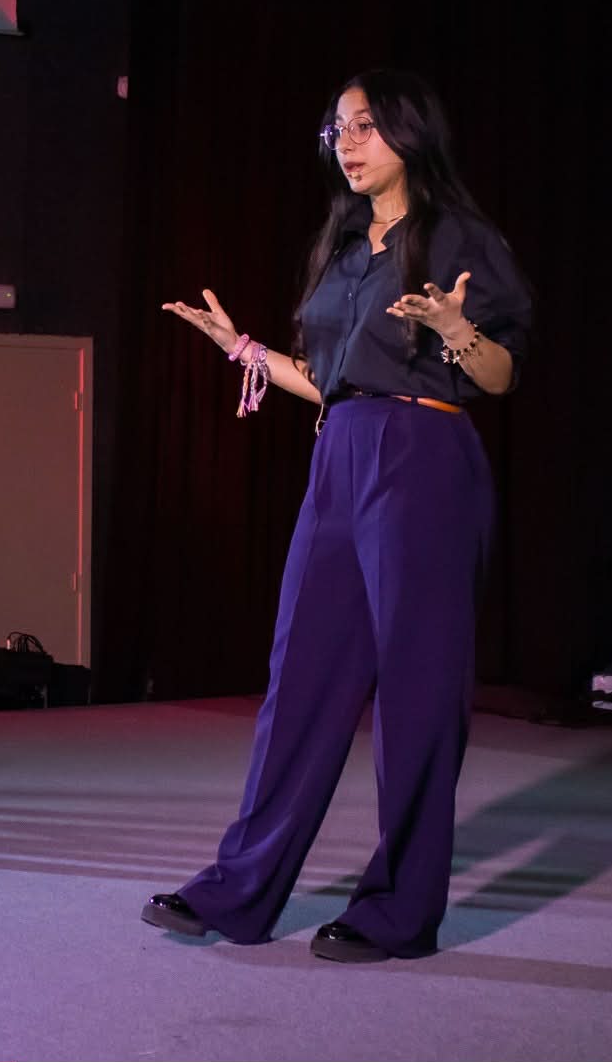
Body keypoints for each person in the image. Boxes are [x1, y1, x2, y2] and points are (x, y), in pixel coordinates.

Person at [142, 69, 532, 963]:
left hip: (424, 455)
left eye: (363, 127)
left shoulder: (460, 237)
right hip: (341, 451)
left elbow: (502, 374)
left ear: (409, 131)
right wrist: (243, 349)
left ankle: (399, 911)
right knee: (300, 679)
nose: (346, 145)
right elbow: (329, 381)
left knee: (417, 692)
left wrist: (456, 331)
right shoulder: (345, 245)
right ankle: (240, 889)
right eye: (337, 131)